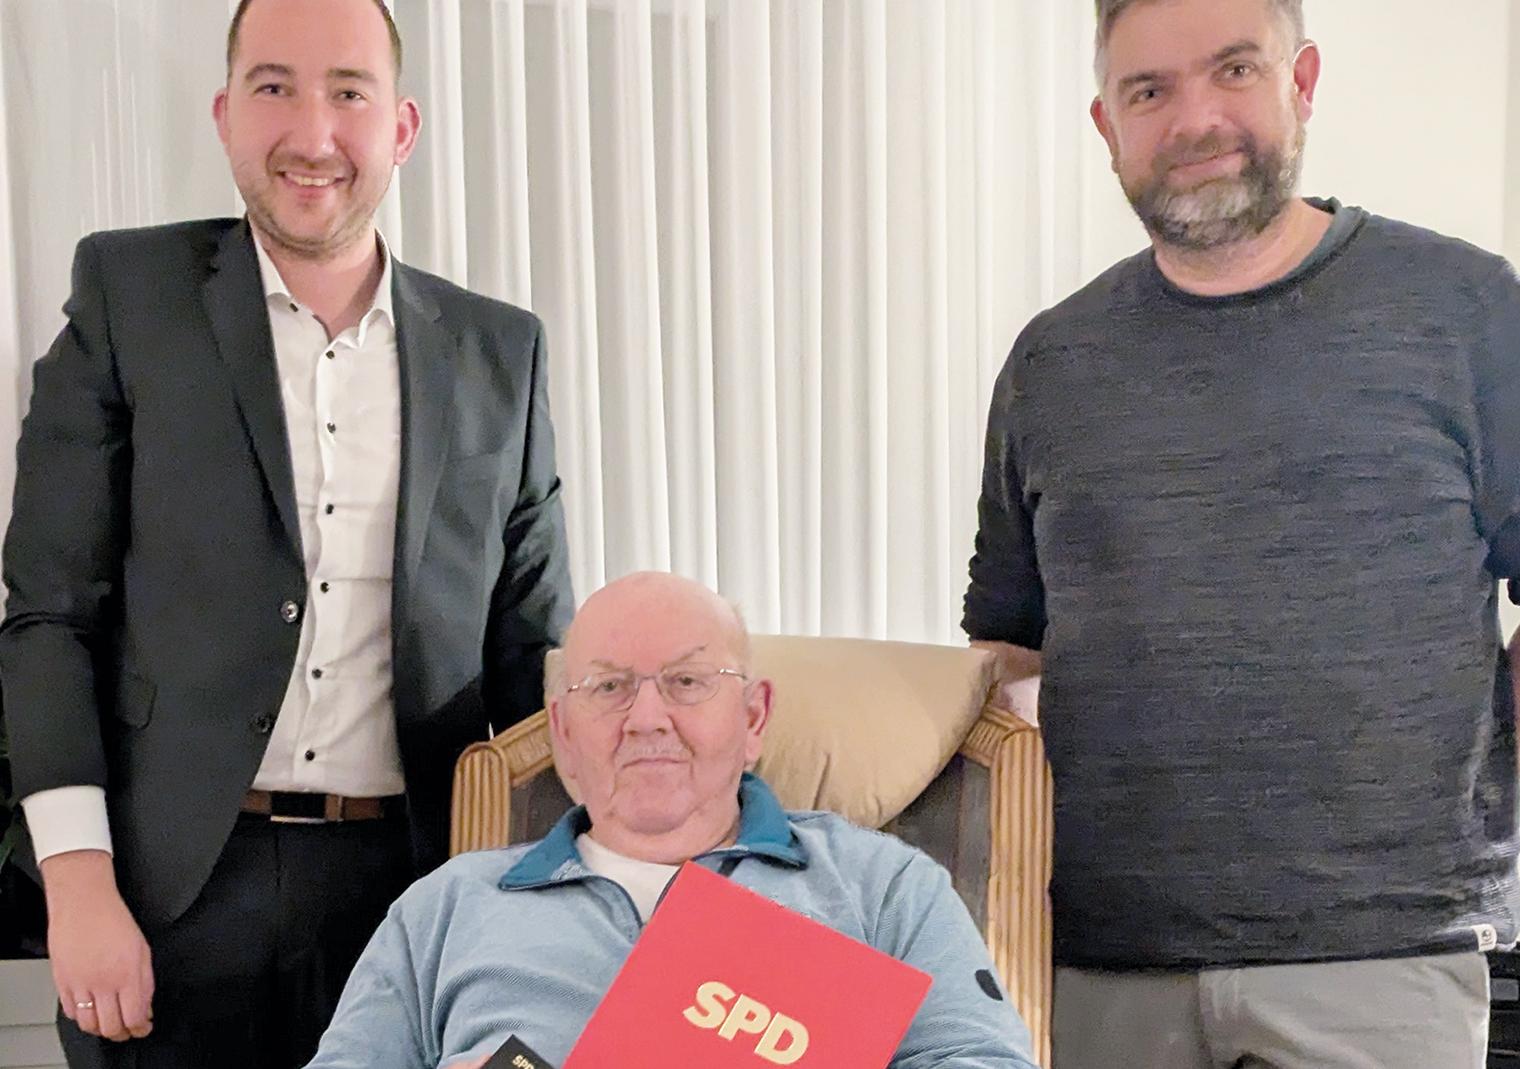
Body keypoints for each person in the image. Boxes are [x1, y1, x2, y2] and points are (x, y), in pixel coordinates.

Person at [962, 0, 1520, 1065]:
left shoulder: (1464, 310)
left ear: (1300, 83)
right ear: (1106, 125)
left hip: (1383, 958)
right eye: (1149, 91)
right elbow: (1008, 640)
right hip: (1098, 961)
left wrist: (1464, 781)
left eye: (1234, 70)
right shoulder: (1052, 363)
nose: (1195, 119)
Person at [0, 1, 572, 1065]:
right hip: (163, 895)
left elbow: (532, 659)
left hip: (412, 896)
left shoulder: (503, 351)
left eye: (348, 92)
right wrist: (76, 884)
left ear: (401, 127)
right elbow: (49, 614)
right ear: (225, 114)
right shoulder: (129, 298)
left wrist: (552, 907)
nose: (312, 134)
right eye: (274, 87)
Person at [305, 572, 1039, 1069]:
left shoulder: (882, 885)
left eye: (687, 682)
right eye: (609, 687)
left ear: (754, 717)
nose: (647, 718)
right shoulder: (447, 907)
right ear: (562, 731)